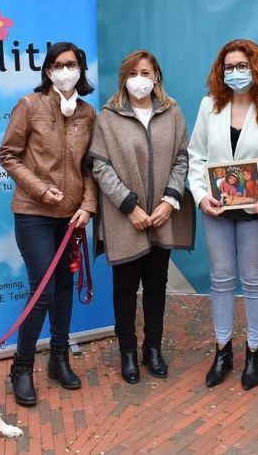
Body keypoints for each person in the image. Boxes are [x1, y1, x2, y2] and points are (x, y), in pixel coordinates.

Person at [0, 42, 97, 407]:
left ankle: (59, 359)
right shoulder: (29, 105)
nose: (65, 70)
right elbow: (7, 154)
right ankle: (20, 368)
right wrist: (40, 190)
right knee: (43, 290)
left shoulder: (88, 113)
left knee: (65, 288)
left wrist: (87, 206)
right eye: (58, 65)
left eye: (71, 64)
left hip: (71, 218)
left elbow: (90, 167)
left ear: (81, 69)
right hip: (33, 213)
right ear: (48, 70)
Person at [188, 39, 258, 390]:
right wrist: (201, 197)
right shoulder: (208, 107)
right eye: (228, 67)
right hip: (215, 209)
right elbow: (196, 157)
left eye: (241, 66)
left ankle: (254, 352)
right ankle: (222, 352)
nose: (235, 72)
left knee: (255, 280)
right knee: (220, 279)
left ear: (256, 68)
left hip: (257, 209)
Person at [89, 50, 194, 384]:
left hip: (162, 215)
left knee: (156, 285)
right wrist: (129, 205)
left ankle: (153, 349)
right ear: (124, 78)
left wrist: (170, 200)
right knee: (124, 288)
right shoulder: (108, 116)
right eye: (133, 72)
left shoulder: (172, 113)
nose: (140, 79)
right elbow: (99, 166)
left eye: (146, 72)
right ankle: (129, 354)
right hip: (125, 217)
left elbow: (181, 158)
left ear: (156, 77)